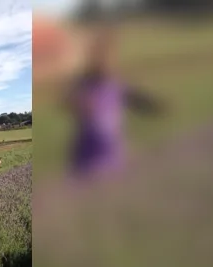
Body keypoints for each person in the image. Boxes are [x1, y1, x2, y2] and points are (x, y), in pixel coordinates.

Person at [67, 26, 162, 180]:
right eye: (99, 56)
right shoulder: (84, 85)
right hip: (88, 162)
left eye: (108, 56)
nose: (105, 61)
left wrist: (153, 105)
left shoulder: (115, 85)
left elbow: (135, 98)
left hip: (113, 160)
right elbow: (71, 101)